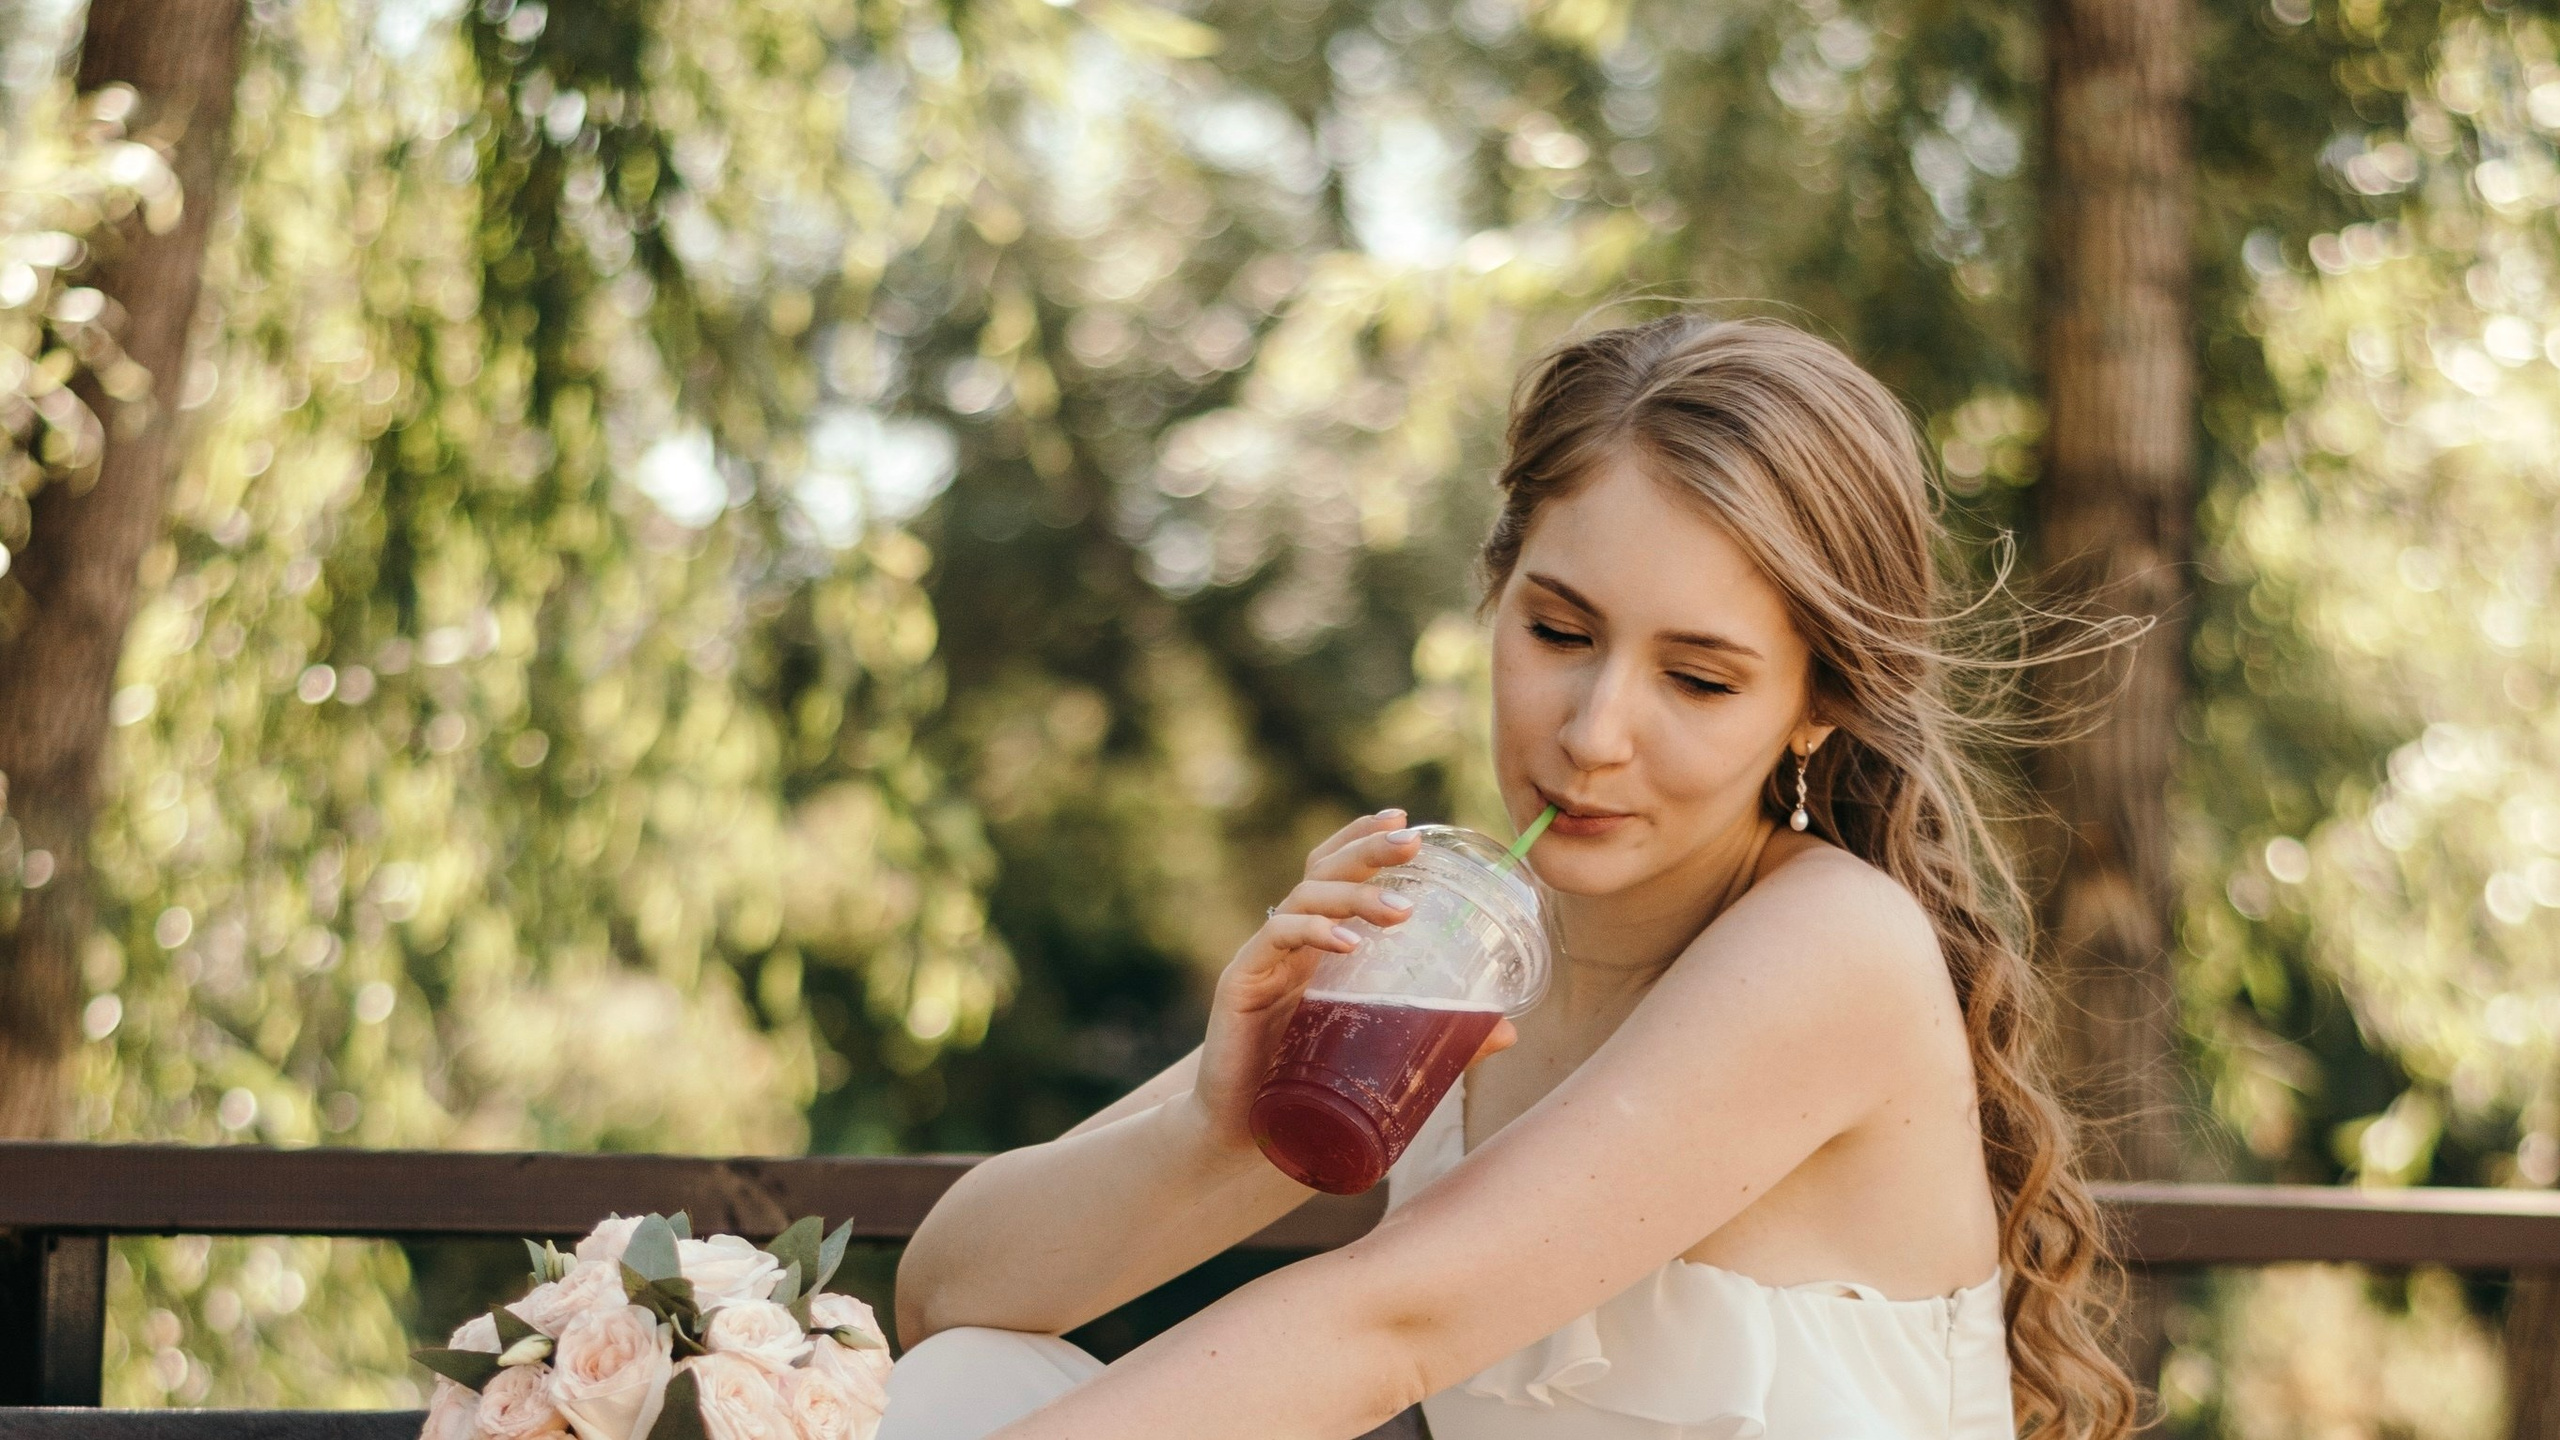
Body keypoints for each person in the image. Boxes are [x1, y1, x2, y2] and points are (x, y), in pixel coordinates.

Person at [877, 314, 2140, 1440]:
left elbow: (1385, 1329)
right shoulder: (1450, 951)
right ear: (1496, 596)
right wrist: (1221, 1123)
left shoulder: (1835, 947)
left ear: (1816, 707)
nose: (1595, 732)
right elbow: (951, 1298)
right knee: (965, 1386)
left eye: (1697, 680)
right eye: (1558, 631)